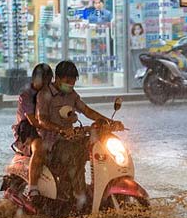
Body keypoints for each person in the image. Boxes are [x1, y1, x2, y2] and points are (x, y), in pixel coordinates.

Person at [36, 60, 121, 205]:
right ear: (58, 78)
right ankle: (79, 197)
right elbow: (41, 120)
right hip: (53, 144)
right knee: (75, 155)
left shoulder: (71, 95)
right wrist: (60, 130)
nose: (71, 85)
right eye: (68, 81)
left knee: (99, 145)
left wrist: (109, 122)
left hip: (72, 138)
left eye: (73, 82)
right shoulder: (44, 95)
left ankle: (99, 189)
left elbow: (87, 111)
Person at [11, 63, 54, 202]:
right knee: (39, 148)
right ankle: (33, 187)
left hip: (45, 127)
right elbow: (34, 121)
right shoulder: (26, 95)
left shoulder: (51, 93)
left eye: (49, 82)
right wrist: (57, 127)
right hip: (27, 130)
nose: (46, 85)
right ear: (35, 79)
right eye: (44, 81)